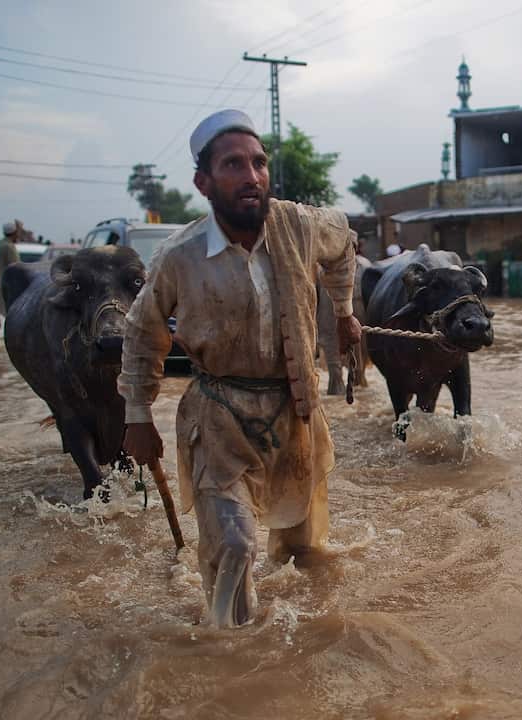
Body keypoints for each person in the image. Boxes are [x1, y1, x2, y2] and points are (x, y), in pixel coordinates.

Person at [119, 109, 361, 628]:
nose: (251, 177)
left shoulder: (300, 225)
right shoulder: (178, 257)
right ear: (203, 182)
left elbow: (345, 246)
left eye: (258, 163)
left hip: (294, 411)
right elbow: (144, 332)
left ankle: (290, 659)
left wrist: (342, 313)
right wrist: (137, 415)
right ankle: (230, 657)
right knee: (233, 546)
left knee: (302, 552)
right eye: (233, 165)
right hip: (219, 419)